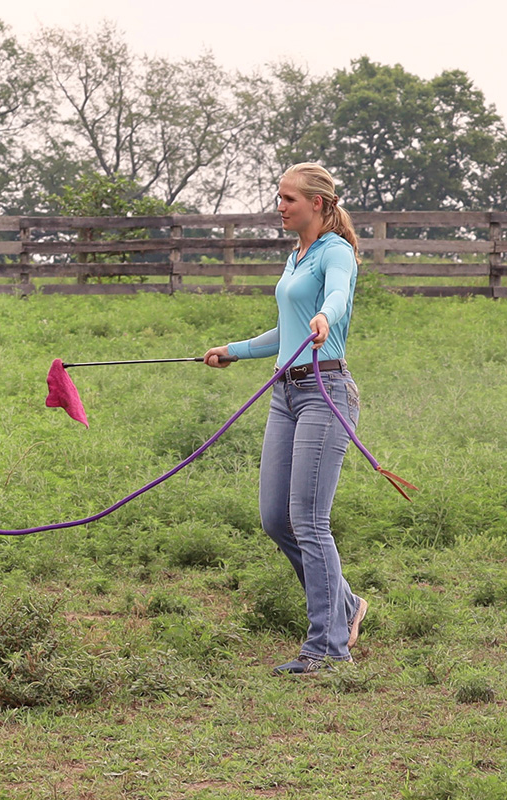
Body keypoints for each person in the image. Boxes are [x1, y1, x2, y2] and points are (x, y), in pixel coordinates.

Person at [203, 162, 365, 675]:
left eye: (289, 199)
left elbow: (336, 295)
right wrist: (235, 349)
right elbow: (286, 329)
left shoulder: (335, 252)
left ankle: (327, 647)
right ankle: (345, 606)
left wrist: (327, 316)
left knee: (310, 521)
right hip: (285, 394)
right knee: (277, 519)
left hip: (326, 392)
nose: (280, 206)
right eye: (279, 197)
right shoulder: (295, 257)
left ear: (317, 203)